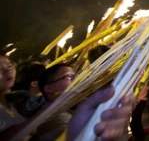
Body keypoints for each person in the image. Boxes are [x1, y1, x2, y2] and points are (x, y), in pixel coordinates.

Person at [0, 54, 133, 140]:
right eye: (69, 77)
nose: (8, 70)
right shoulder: (53, 118)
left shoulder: (15, 103)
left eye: (9, 65)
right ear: (48, 88)